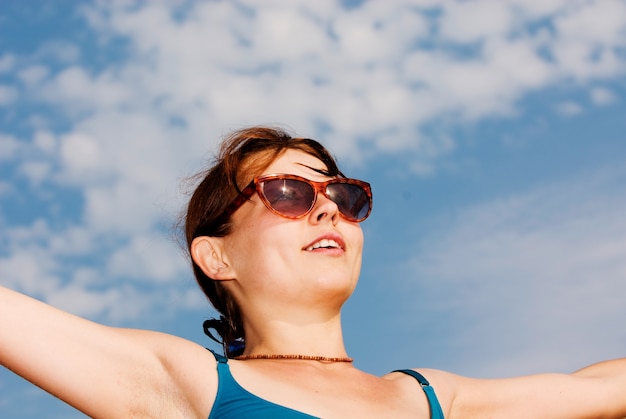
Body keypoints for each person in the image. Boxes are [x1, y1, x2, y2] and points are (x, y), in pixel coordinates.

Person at [1, 126, 625, 418]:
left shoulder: (435, 399)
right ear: (216, 256)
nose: (327, 206)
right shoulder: (187, 388)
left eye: (344, 196)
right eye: (290, 193)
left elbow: (603, 389)